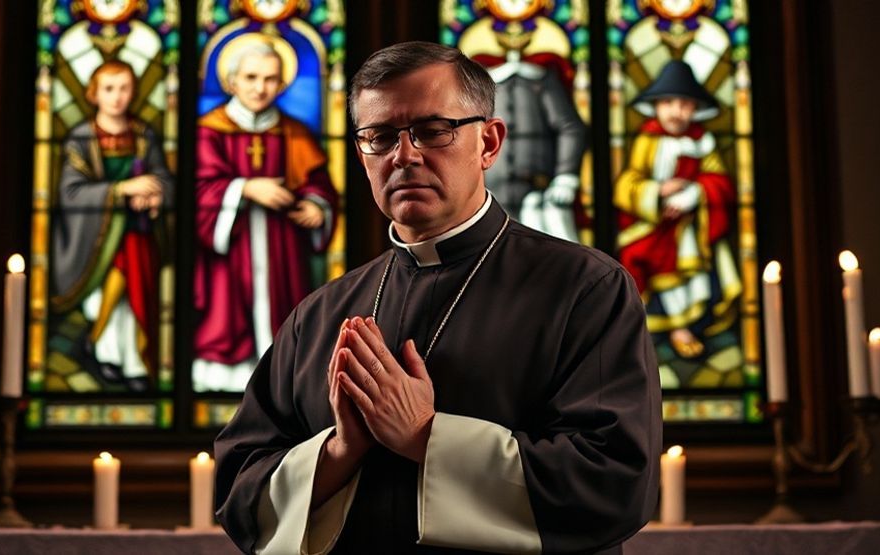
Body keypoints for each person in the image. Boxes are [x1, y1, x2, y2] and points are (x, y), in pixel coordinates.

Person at [215, 41, 659, 554]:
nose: (404, 156)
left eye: (432, 130)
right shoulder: (319, 314)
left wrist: (426, 437)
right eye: (379, 137)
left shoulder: (585, 288)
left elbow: (616, 483)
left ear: (489, 143)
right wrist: (339, 451)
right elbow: (238, 490)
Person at [194, 41, 339, 393]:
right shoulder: (208, 131)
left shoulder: (296, 132)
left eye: (271, 79)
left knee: (286, 319)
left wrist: (316, 207)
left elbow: (320, 184)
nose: (261, 88)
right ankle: (224, 380)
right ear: (231, 82)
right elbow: (195, 190)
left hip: (283, 246)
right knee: (226, 315)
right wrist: (244, 189)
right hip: (230, 250)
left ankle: (282, 378)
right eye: (251, 77)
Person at [51, 60, 173, 391]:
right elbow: (70, 193)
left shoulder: (143, 135)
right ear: (93, 94)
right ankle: (103, 349)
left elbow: (163, 178)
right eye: (108, 89)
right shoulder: (81, 138)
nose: (117, 97)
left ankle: (131, 360)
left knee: (135, 298)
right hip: (94, 242)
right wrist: (121, 191)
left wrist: (154, 194)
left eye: (124, 88)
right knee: (119, 283)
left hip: (138, 232)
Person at [613, 60, 741, 360]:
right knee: (639, 256)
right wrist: (657, 193)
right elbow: (627, 184)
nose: (676, 111)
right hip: (650, 223)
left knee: (693, 271)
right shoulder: (647, 140)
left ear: (695, 109)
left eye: (685, 104)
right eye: (668, 102)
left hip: (694, 226)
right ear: (656, 106)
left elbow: (719, 182)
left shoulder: (703, 142)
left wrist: (693, 195)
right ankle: (648, 327)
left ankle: (684, 327)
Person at [478, 33, 589, 242]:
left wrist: (565, 177)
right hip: (488, 196)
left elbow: (570, 128)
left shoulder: (541, 80)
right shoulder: (482, 84)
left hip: (538, 196)